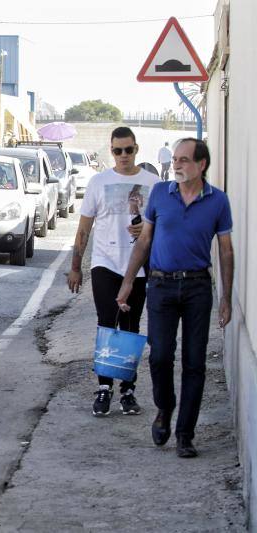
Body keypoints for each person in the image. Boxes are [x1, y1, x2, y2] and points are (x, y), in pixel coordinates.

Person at [116, 138, 233, 458]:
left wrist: (226, 298)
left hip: (197, 288)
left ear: (201, 165)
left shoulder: (218, 201)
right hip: (161, 286)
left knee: (195, 363)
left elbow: (225, 251)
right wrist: (128, 281)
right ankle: (164, 409)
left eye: (184, 160)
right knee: (160, 356)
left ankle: (185, 434)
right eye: (176, 159)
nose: (177, 164)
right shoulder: (160, 195)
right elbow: (144, 242)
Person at [68, 126, 159, 417]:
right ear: (111, 151)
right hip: (105, 263)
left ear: (136, 149)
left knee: (131, 329)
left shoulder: (153, 183)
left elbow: (164, 226)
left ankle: (128, 391)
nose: (123, 155)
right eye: (117, 150)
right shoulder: (98, 182)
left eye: (128, 150)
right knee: (107, 324)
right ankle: (104, 387)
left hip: (139, 266)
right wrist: (75, 267)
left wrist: (147, 228)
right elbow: (84, 228)